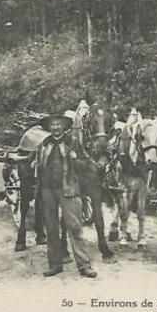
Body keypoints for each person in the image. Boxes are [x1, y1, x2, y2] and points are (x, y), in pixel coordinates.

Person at [35, 114, 97, 278]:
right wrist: (35, 164)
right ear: (49, 127)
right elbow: (35, 163)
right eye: (53, 125)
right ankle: (55, 265)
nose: (55, 127)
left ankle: (84, 266)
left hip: (68, 190)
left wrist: (77, 161)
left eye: (58, 124)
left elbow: (89, 164)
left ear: (64, 126)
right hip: (48, 190)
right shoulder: (44, 144)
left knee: (75, 227)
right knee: (51, 228)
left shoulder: (73, 143)